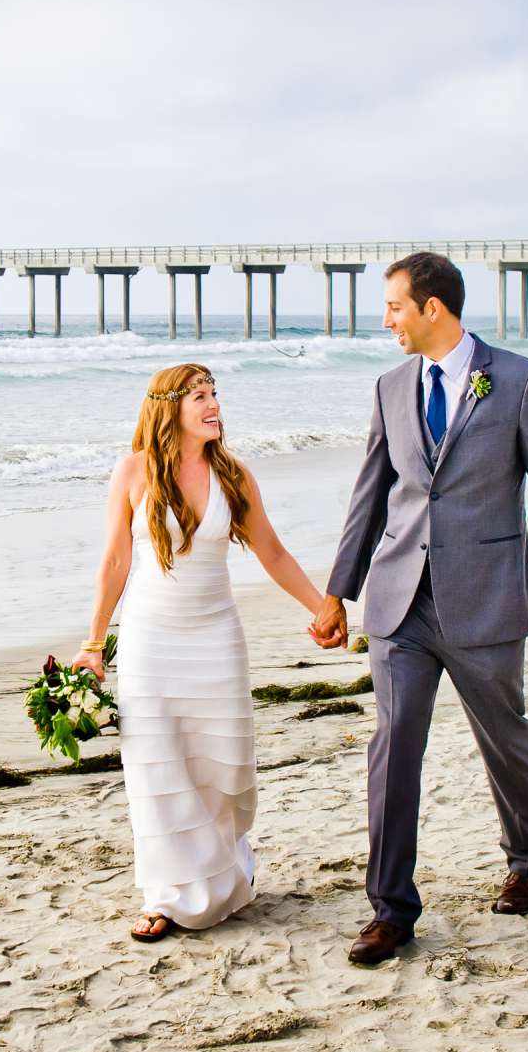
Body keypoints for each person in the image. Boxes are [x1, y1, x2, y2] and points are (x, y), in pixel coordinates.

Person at [310, 253, 528, 967]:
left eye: (394, 307)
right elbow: (370, 494)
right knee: (393, 746)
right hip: (399, 601)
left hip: (486, 598)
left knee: (503, 735)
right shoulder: (389, 388)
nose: (386, 320)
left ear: (432, 309)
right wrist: (338, 591)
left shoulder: (516, 380)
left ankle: (527, 859)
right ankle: (390, 911)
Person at [71, 364, 332, 943]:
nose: (213, 405)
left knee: (224, 768)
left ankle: (221, 879)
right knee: (157, 766)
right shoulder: (133, 472)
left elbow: (274, 552)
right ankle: (165, 896)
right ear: (170, 407)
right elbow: (114, 562)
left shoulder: (233, 474)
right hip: (150, 639)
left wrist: (321, 608)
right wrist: (93, 645)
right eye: (200, 396)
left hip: (216, 636)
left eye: (215, 395)